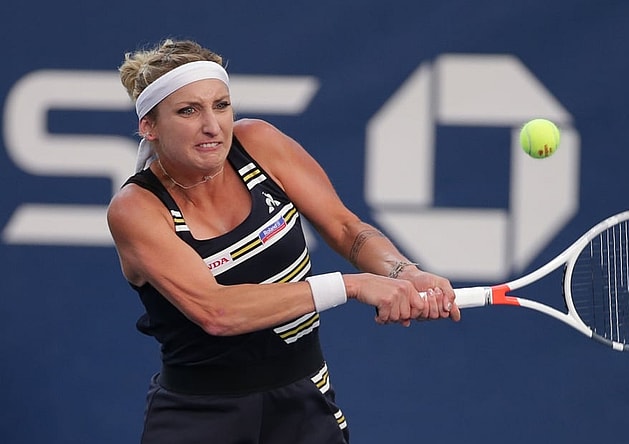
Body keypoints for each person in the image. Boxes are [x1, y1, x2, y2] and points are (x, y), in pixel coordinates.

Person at [107, 39, 461, 444]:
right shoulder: (136, 209)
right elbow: (217, 312)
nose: (212, 126)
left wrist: (404, 271)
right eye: (188, 110)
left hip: (304, 400)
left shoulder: (258, 143)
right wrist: (353, 284)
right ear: (148, 126)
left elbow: (345, 227)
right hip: (199, 417)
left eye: (221, 105)